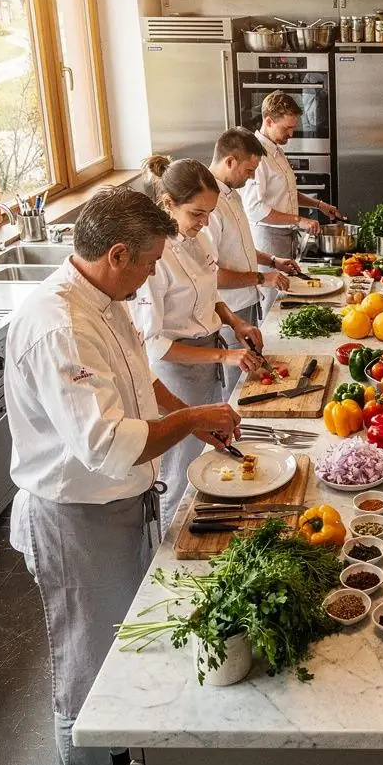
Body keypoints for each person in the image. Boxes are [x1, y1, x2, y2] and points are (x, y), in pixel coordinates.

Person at [5, 187, 241, 765]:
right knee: (81, 664)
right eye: (148, 265)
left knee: (124, 638)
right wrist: (198, 408)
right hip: (77, 518)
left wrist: (188, 418)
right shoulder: (59, 327)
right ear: (117, 254)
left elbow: (139, 387)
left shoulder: (104, 302)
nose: (152, 277)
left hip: (122, 505)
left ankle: (107, 748)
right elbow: (109, 445)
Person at [132, 155, 263, 528]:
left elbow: (210, 292)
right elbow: (153, 343)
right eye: (196, 214)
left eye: (209, 213)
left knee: (211, 457)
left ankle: (207, 529)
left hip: (208, 360)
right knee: (180, 469)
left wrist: (235, 322)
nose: (205, 222)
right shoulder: (154, 260)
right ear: (168, 204)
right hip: (176, 374)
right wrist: (223, 355)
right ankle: (173, 548)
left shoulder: (200, 237)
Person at [206, 128, 301, 390]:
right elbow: (212, 274)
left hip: (246, 305)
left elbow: (242, 248)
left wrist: (272, 260)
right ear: (229, 161)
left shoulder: (232, 194)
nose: (250, 179)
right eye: (248, 171)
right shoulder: (209, 207)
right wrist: (262, 277)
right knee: (238, 388)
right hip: (228, 311)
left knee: (253, 378)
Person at [241, 89, 342, 256]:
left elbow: (286, 194)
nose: (291, 133)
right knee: (273, 283)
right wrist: (299, 220)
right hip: (268, 240)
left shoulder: (276, 150)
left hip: (287, 236)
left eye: (294, 127)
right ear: (269, 121)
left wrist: (319, 205)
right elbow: (254, 209)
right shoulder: (256, 156)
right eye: (287, 128)